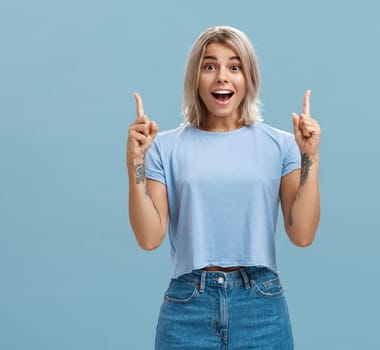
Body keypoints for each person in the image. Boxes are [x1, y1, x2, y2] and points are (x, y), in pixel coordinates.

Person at [125, 25, 321, 349]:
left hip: (261, 306)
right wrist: (136, 163)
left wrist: (310, 157)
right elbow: (149, 238)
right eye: (209, 66)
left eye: (234, 66)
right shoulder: (164, 148)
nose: (222, 77)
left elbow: (302, 235)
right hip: (188, 306)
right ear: (195, 77)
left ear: (248, 78)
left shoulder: (282, 146)